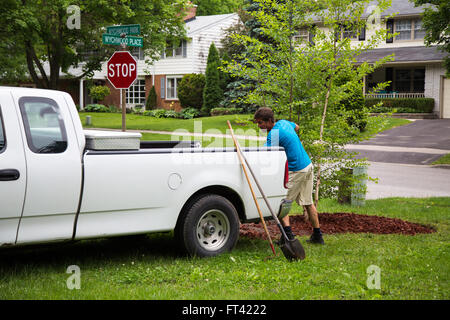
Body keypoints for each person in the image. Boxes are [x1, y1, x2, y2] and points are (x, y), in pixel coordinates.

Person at [254, 107, 324, 244]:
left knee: (282, 203)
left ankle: (288, 237)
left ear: (269, 121)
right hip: (307, 165)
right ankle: (318, 236)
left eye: (260, 122)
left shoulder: (273, 134)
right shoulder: (284, 123)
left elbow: (265, 154)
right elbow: (297, 127)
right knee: (308, 203)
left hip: (297, 169)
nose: (259, 126)